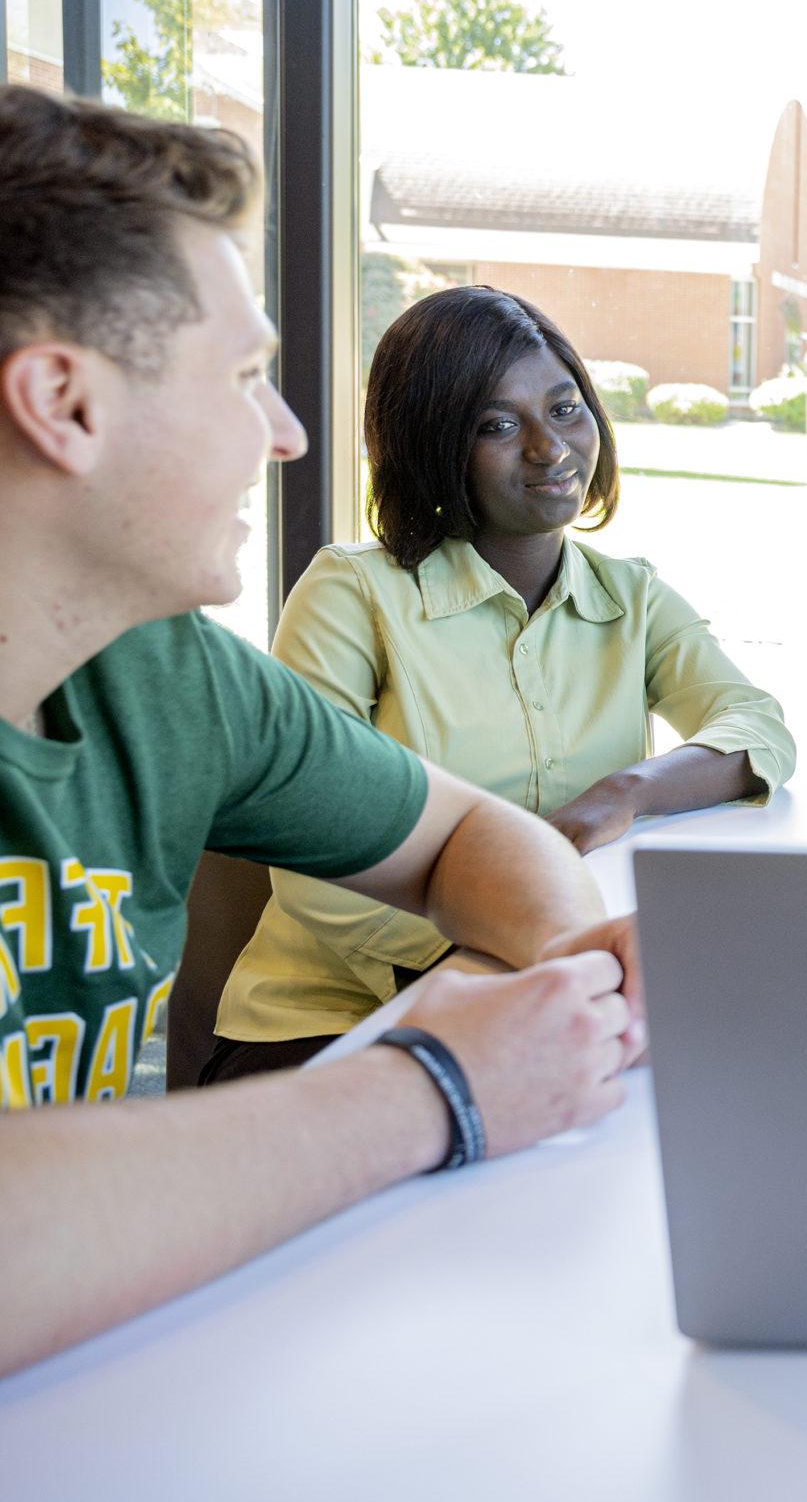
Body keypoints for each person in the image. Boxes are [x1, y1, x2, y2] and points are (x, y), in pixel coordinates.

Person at [0, 85, 640, 1376]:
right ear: (63, 403)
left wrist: (579, 966)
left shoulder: (171, 672)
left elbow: (464, 830)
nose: (287, 434)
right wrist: (434, 1085)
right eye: (244, 377)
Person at [202, 286, 795, 1080]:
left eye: (565, 408)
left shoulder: (631, 596)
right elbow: (316, 870)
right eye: (498, 424)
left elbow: (755, 724)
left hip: (543, 1004)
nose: (551, 449)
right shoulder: (353, 593)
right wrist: (524, 949)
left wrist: (626, 791)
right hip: (331, 1029)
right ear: (433, 443)